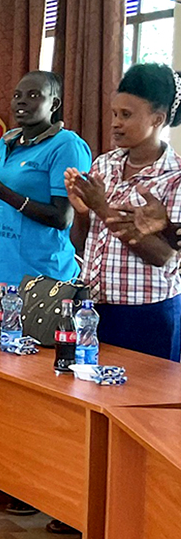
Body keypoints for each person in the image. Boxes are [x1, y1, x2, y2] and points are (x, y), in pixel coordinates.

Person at [66, 64, 181, 361]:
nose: (116, 123)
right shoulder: (104, 164)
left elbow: (165, 257)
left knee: (141, 405)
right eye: (114, 113)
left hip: (147, 314)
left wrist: (101, 206)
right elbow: (81, 245)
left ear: (158, 119)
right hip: (94, 308)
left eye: (126, 115)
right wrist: (81, 212)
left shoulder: (174, 177)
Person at [0, 71, 92, 293]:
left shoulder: (66, 145)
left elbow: (62, 218)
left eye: (33, 95)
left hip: (42, 278)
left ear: (54, 103)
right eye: (17, 95)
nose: (22, 101)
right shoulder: (7, 140)